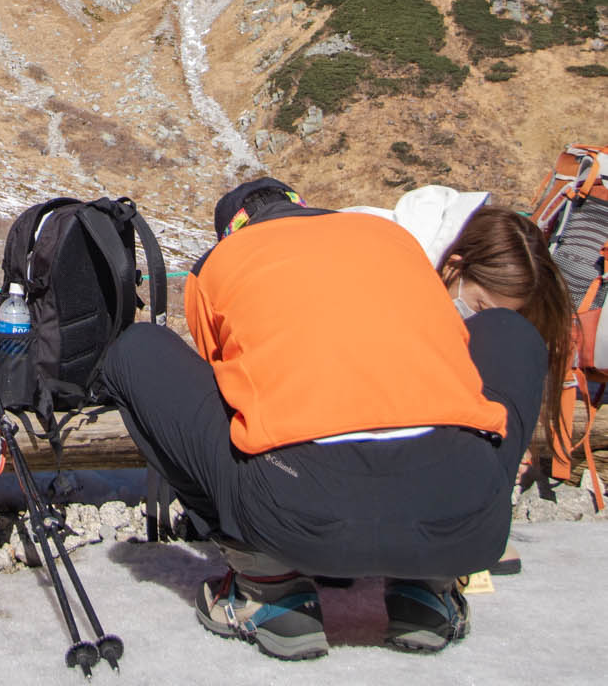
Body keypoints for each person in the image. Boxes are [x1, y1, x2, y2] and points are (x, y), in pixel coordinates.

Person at [95, 177, 550, 660]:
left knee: (136, 351)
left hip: (296, 518)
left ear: (232, 231)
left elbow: (222, 390)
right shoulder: (394, 240)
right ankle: (428, 591)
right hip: (463, 525)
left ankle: (267, 585)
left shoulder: (220, 264)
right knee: (509, 330)